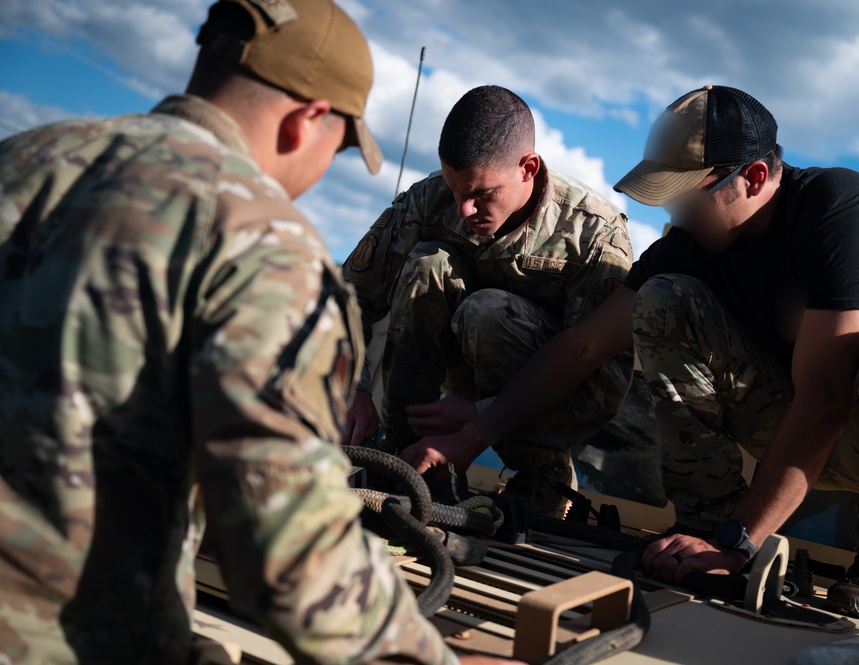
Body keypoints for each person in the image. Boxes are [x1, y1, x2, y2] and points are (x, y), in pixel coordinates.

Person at [0, 1, 516, 663]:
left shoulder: (23, 158)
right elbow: (292, 559)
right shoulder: (260, 242)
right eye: (340, 145)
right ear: (307, 121)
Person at [411, 85, 859, 626]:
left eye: (687, 197)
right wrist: (477, 431)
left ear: (753, 177)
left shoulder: (839, 211)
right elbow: (583, 345)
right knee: (662, 299)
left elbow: (825, 400)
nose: (674, 216)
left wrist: (740, 543)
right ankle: (701, 524)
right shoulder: (695, 244)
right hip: (786, 425)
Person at [342, 85, 634, 515]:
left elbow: (600, 383)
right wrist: (354, 387)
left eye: (481, 194)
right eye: (455, 191)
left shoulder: (592, 232)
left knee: (487, 311)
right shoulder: (428, 200)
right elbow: (352, 298)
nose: (463, 209)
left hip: (548, 392)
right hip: (452, 380)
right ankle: (406, 455)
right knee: (429, 264)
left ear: (528, 168)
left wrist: (480, 417)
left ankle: (543, 476)